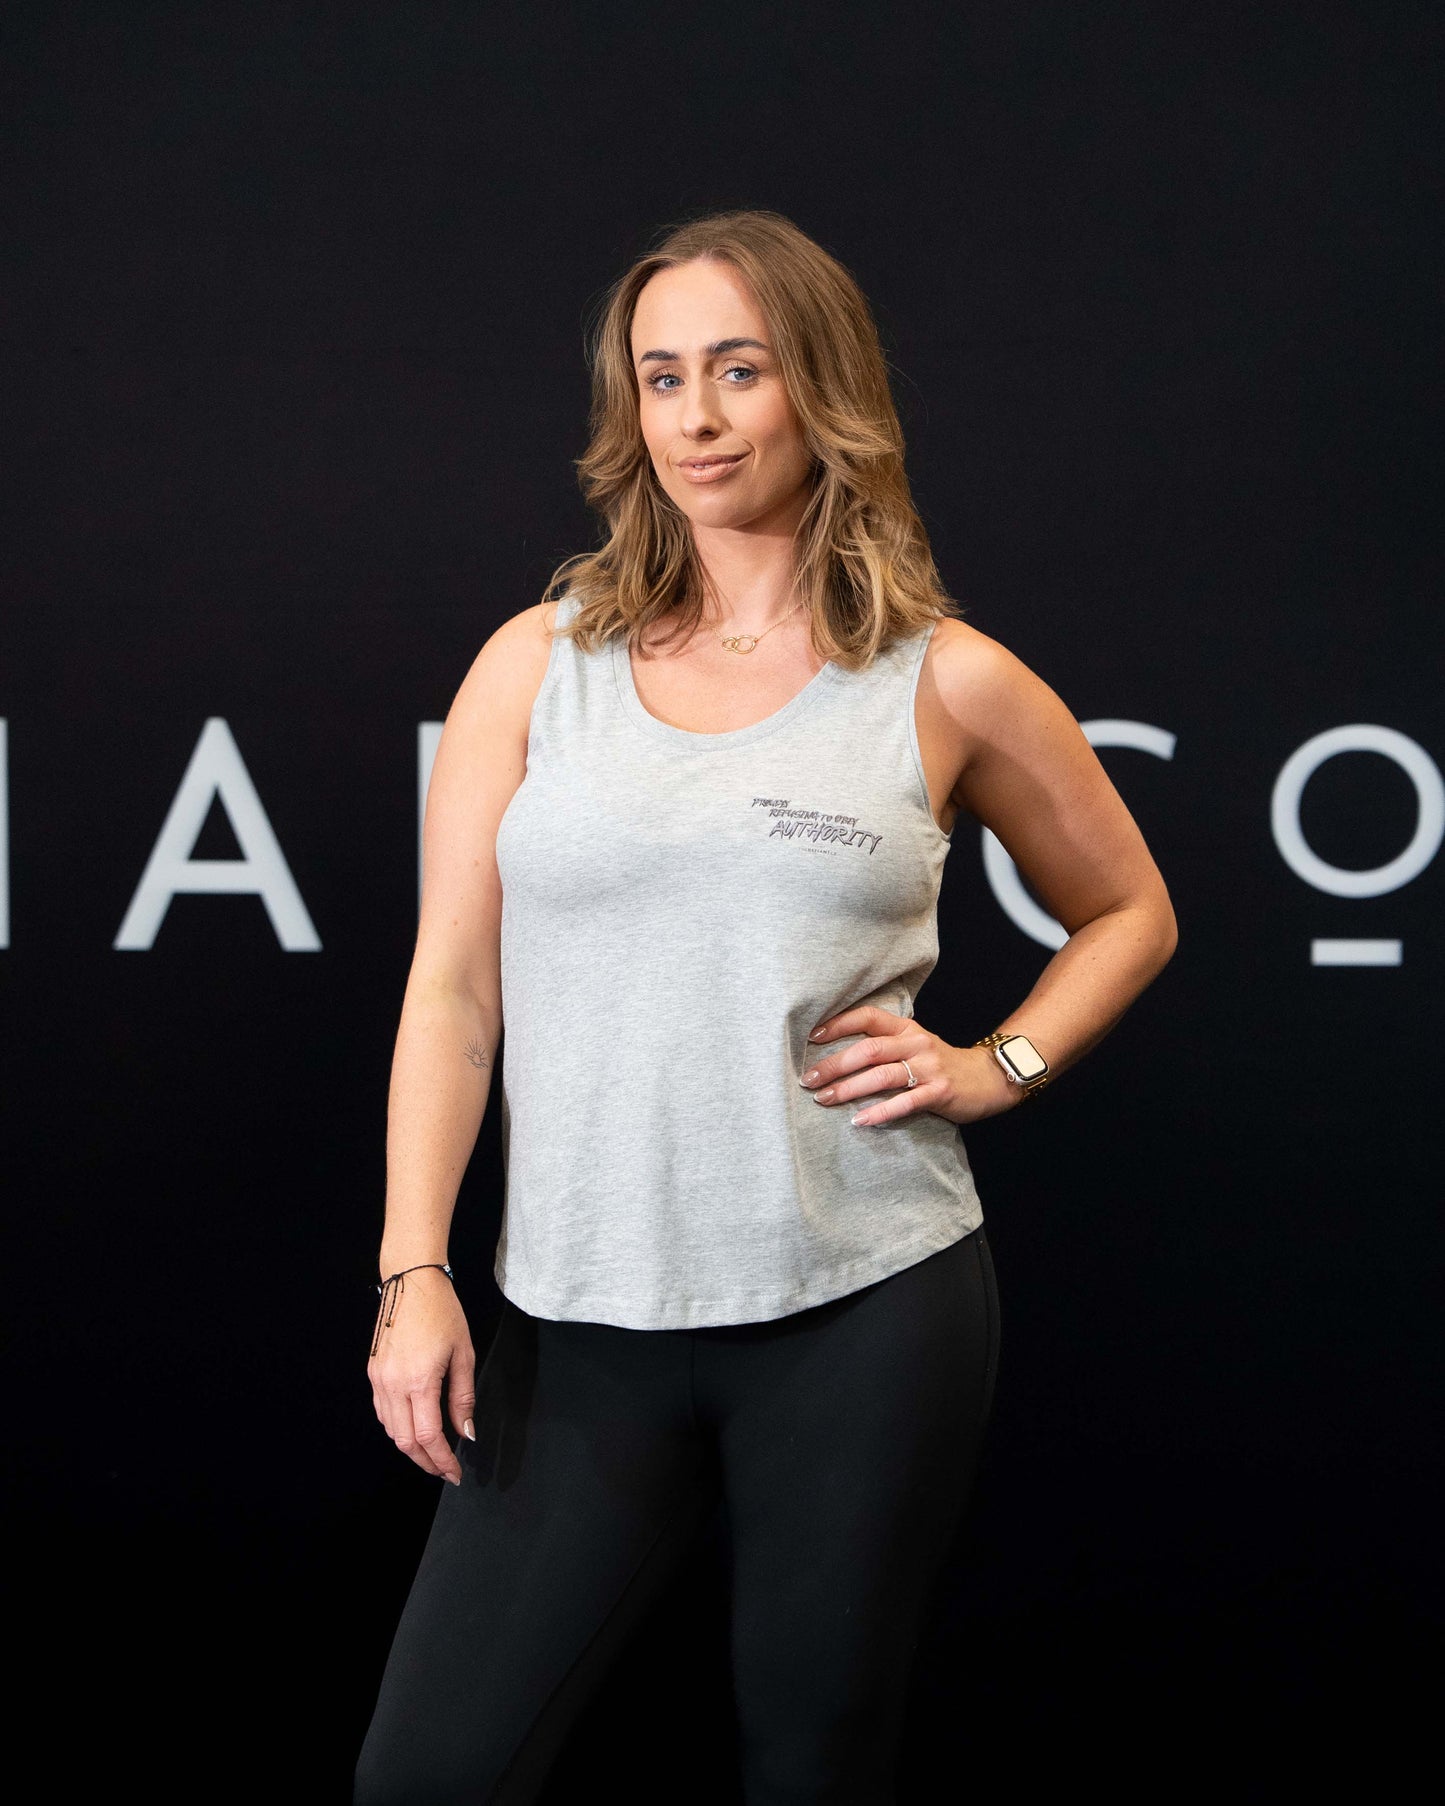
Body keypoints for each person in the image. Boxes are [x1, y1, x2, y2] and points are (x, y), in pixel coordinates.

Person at [354, 208, 1177, 1805]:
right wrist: (413, 1267)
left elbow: (1129, 910)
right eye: (662, 377)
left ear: (822, 389)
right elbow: (451, 991)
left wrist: (996, 1064)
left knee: (812, 1766)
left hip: (861, 1307)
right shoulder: (538, 663)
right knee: (427, 1774)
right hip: (576, 1316)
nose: (698, 416)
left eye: (739, 370)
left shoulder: (943, 678)